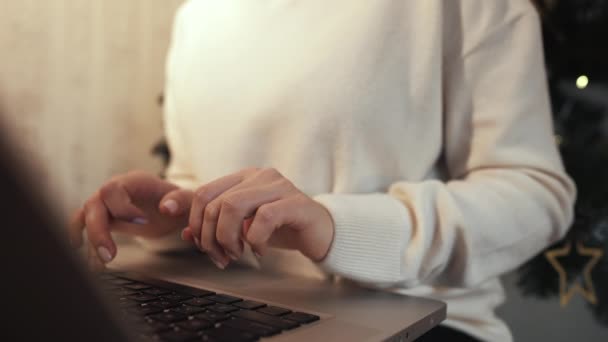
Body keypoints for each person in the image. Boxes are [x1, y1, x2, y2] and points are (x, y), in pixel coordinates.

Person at [69, 1, 575, 341]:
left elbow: (535, 194)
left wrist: (336, 227)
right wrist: (172, 212)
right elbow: (205, 183)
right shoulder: (200, 14)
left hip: (419, 319)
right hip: (229, 309)